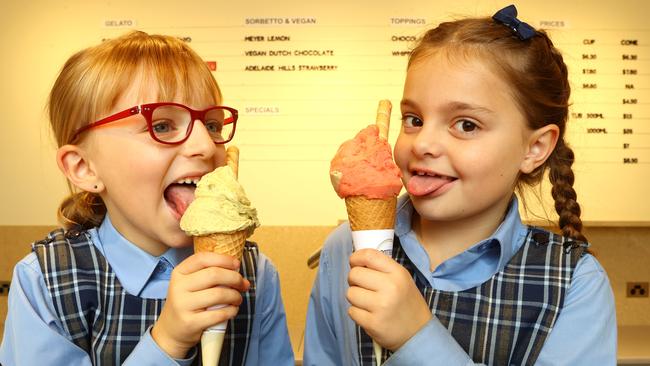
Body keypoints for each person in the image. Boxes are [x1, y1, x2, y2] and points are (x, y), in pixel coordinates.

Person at [304, 5, 616, 365]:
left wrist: (416, 336)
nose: (422, 144)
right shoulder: (345, 248)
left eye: (466, 124)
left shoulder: (577, 283)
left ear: (534, 148)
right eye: (414, 119)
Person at [0, 31, 294, 365]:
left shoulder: (255, 274)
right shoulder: (45, 280)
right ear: (84, 167)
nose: (205, 146)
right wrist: (167, 342)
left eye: (212, 125)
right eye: (164, 125)